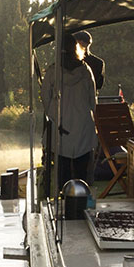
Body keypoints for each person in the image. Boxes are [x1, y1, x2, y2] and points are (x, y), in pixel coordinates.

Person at [41, 34, 98, 190]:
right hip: (82, 127)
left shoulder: (53, 72)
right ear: (76, 49)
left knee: (62, 169)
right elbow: (93, 100)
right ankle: (81, 201)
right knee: (82, 171)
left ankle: (63, 199)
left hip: (61, 127)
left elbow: (45, 97)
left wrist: (52, 113)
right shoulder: (86, 71)